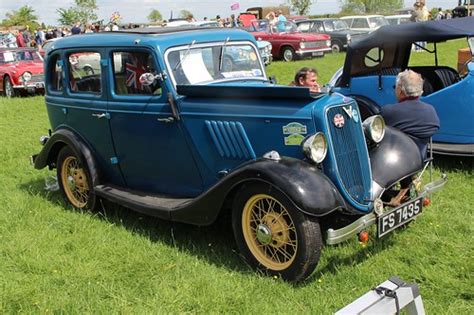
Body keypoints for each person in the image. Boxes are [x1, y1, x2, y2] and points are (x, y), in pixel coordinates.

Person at [381, 70, 440, 205]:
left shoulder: (389, 111)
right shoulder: (430, 110)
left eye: (395, 87)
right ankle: (408, 190)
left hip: (392, 163)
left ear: (401, 91)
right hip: (420, 160)